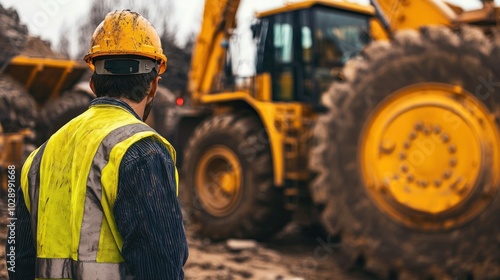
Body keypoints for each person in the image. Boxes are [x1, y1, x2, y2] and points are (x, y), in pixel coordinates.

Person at [8, 10, 188, 279]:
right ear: (153, 86)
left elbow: (17, 261)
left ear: (93, 84)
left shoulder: (37, 158)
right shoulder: (143, 152)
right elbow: (160, 269)